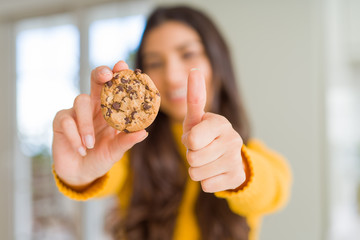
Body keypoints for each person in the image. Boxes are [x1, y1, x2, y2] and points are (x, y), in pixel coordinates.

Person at [52, 5, 292, 240]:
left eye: (187, 54)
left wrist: (239, 169)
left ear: (217, 61)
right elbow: (103, 171)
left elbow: (276, 187)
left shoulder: (249, 157)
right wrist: (80, 171)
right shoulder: (128, 150)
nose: (172, 76)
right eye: (155, 63)